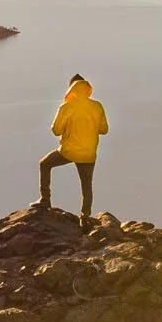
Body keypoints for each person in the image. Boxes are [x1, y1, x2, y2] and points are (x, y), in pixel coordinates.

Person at [37, 74, 109, 220]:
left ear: (72, 89)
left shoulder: (66, 107)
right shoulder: (97, 106)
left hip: (68, 151)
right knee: (86, 186)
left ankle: (45, 200)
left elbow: (56, 130)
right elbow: (104, 129)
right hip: (88, 153)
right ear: (88, 89)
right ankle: (85, 217)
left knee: (44, 164)